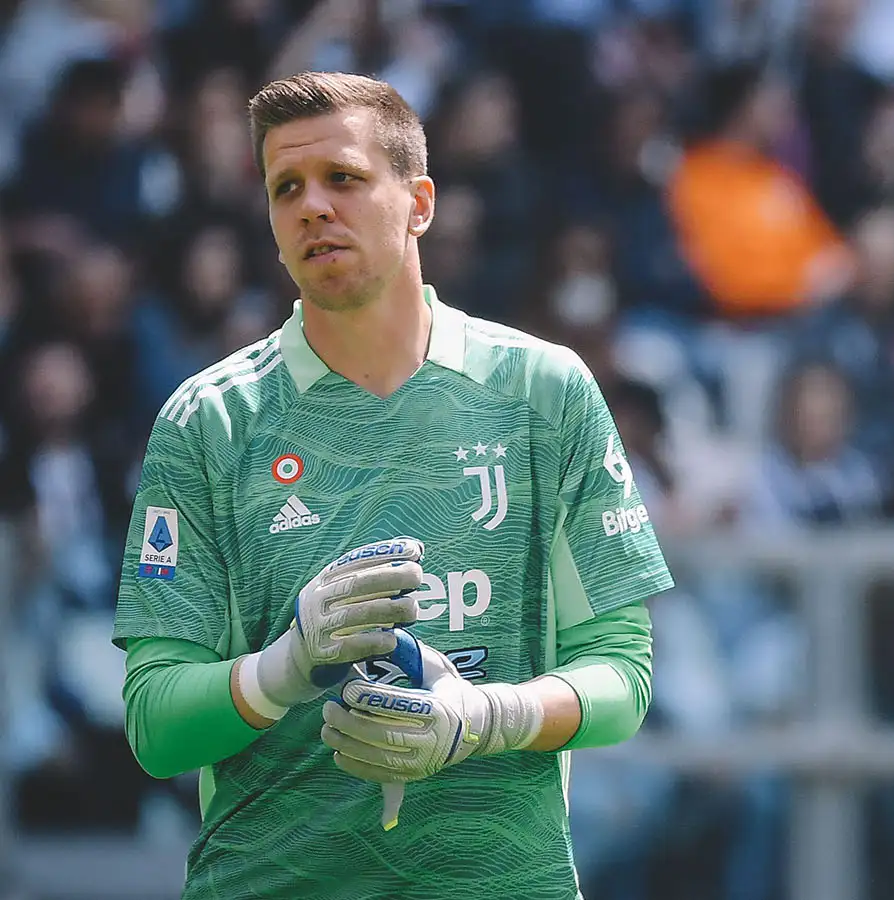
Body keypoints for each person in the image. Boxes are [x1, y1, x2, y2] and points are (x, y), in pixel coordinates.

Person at [111, 71, 673, 899]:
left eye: (343, 178)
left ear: (420, 204)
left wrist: (481, 719)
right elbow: (154, 725)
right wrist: (284, 668)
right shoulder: (209, 422)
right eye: (285, 188)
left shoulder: (541, 391)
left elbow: (622, 676)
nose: (312, 206)